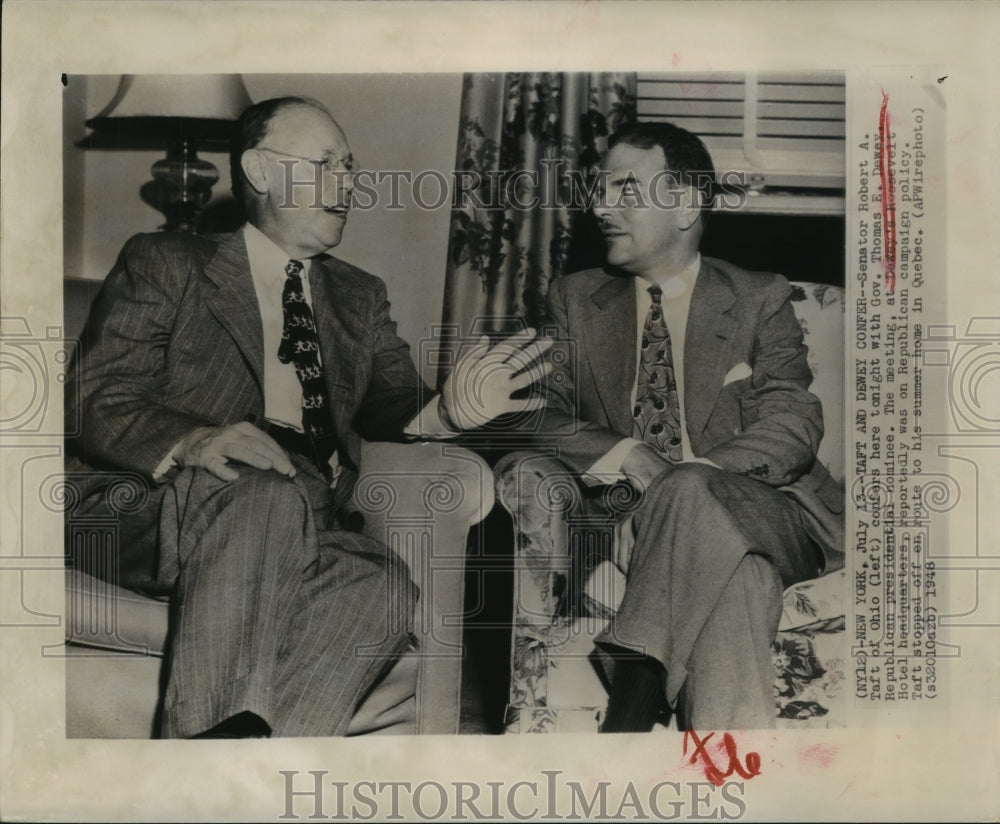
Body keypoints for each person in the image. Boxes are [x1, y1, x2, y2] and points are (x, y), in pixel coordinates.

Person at [66, 96, 550, 738]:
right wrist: (192, 439)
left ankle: (245, 786)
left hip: (309, 515)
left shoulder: (359, 295)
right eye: (326, 163)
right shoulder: (167, 263)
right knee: (261, 492)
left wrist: (446, 413)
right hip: (163, 503)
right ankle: (198, 765)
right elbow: (96, 396)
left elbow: (393, 409)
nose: (348, 183)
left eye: (351, 167)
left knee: (379, 582)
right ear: (261, 171)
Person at [528, 121, 844, 731]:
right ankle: (731, 789)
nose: (600, 206)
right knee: (739, 578)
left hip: (771, 513)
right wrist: (626, 455)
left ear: (684, 203)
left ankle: (629, 717)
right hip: (641, 532)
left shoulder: (758, 297)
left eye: (624, 188)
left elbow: (792, 421)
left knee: (692, 492)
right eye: (599, 189)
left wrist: (685, 481)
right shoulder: (574, 299)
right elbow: (538, 410)